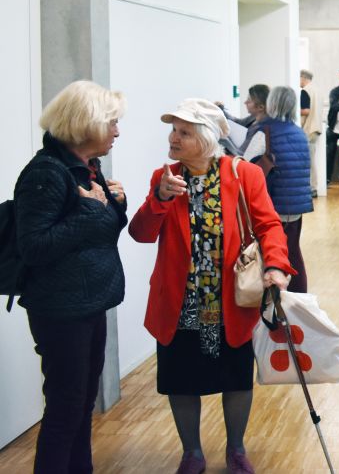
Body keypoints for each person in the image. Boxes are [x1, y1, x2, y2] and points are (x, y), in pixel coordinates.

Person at [129, 98, 294, 474]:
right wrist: (159, 198)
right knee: (180, 378)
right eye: (173, 130)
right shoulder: (165, 178)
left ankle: (236, 450)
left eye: (184, 132)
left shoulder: (242, 174)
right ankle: (192, 453)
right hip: (180, 300)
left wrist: (276, 267)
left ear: (205, 138)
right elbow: (140, 233)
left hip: (229, 298)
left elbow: (269, 225)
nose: (173, 138)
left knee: (235, 375)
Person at [14, 80, 127, 474]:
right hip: (60, 310)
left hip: (87, 303)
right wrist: (87, 211)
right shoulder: (45, 174)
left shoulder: (85, 168)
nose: (117, 131)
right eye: (111, 122)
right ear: (86, 123)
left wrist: (112, 204)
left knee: (81, 405)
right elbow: (34, 246)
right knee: (65, 409)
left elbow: (102, 230)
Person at [243, 86, 313, 293]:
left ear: (271, 103)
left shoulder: (265, 131)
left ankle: (272, 297)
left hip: (274, 204)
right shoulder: (299, 133)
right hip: (296, 206)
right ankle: (300, 296)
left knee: (270, 253)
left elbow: (244, 164)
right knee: (293, 251)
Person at [215, 84, 270, 156]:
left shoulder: (260, 131)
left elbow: (241, 156)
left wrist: (222, 138)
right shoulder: (254, 118)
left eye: (249, 101)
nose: (245, 102)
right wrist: (221, 109)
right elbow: (238, 122)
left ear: (261, 107)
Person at [300, 70, 323, 198]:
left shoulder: (305, 91)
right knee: (311, 159)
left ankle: (312, 188)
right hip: (317, 128)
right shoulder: (318, 91)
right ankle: (313, 187)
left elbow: (306, 111)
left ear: (303, 78)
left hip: (308, 129)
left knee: (308, 161)